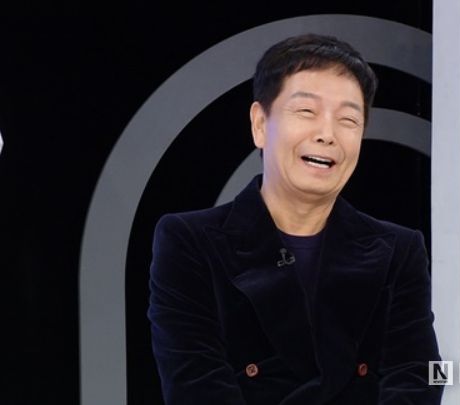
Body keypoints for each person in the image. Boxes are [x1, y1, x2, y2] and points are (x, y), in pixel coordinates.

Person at [148, 33, 443, 405]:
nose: (327, 134)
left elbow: (418, 378)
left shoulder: (399, 250)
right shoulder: (189, 241)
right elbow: (194, 385)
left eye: (348, 119)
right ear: (260, 124)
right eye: (306, 112)